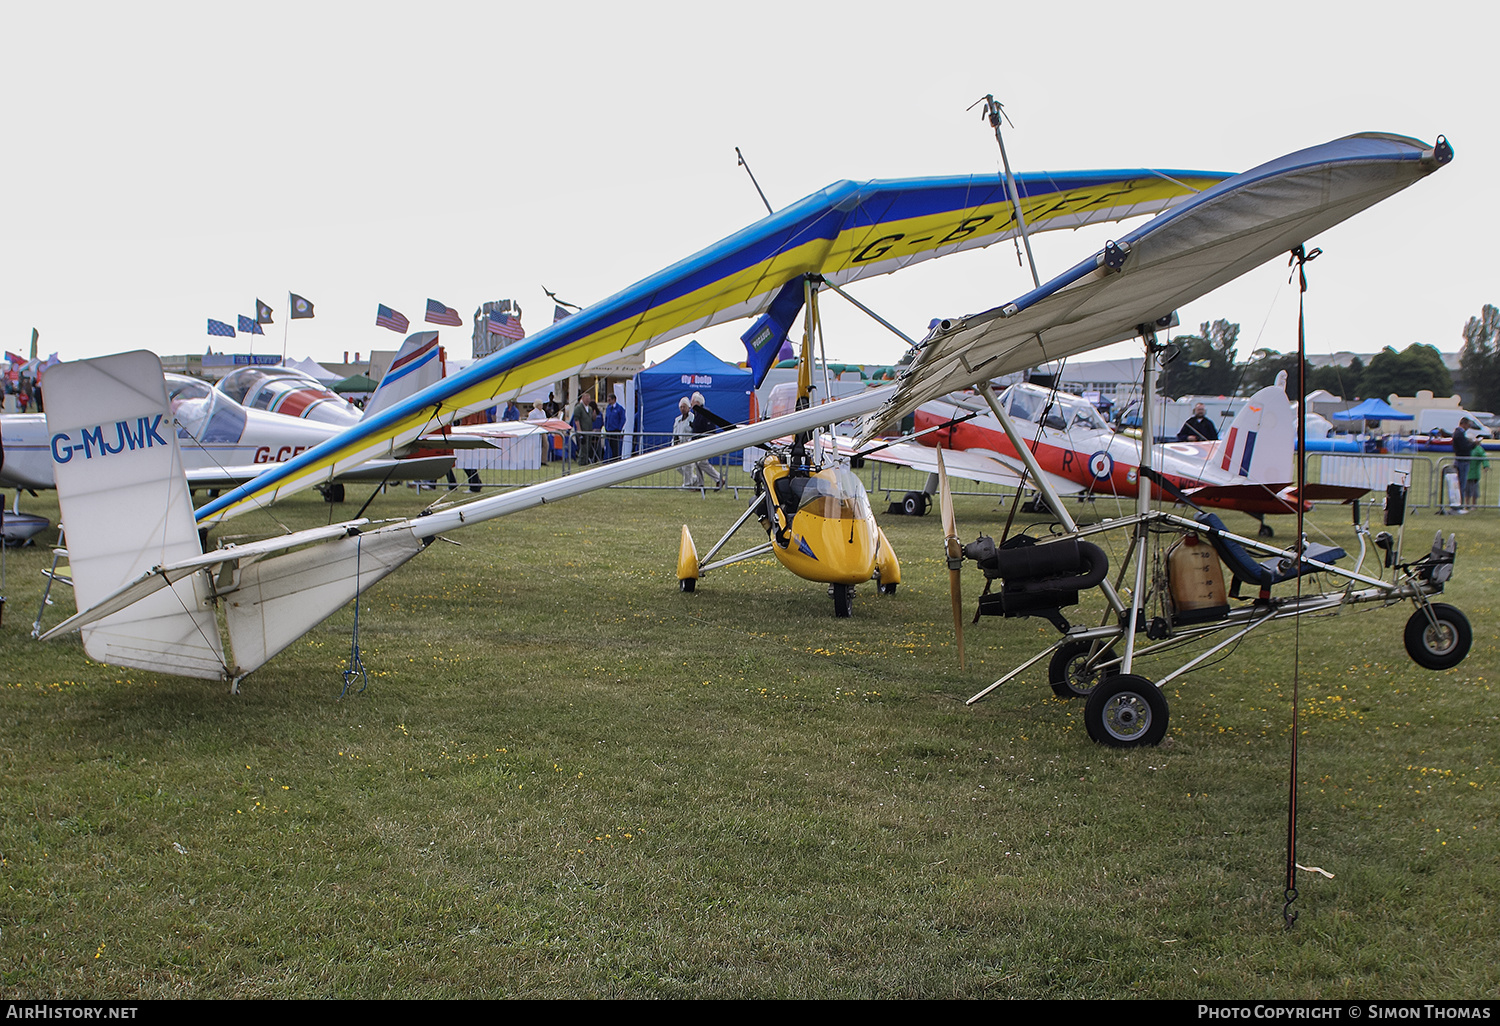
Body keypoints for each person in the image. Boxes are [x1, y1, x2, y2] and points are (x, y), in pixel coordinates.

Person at [689, 391, 727, 490]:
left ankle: (719, 479)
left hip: (705, 442)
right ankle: (700, 484)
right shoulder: (697, 414)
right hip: (698, 442)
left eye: (692, 401)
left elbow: (710, 429)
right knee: (697, 462)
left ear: (697, 403)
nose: (690, 403)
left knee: (701, 462)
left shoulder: (705, 413)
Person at [672, 397, 700, 488]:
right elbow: (675, 433)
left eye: (684, 407)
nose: (682, 409)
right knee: (678, 466)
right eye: (681, 407)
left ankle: (687, 484)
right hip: (679, 445)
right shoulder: (677, 420)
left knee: (688, 466)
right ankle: (694, 479)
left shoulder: (693, 418)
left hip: (689, 445)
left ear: (688, 407)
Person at [1452, 417, 1479, 511]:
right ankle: (1459, 504)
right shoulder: (1459, 434)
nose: (1469, 426)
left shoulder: (1458, 433)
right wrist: (1474, 444)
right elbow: (1464, 448)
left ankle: (1459, 504)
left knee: (1461, 484)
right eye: (1468, 424)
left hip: (1461, 461)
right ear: (1463, 424)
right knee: (1461, 484)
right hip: (1462, 462)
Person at [570, 392, 596, 464]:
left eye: (589, 399)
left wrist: (594, 415)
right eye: (586, 398)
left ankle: (586, 460)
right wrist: (579, 430)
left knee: (588, 446)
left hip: (589, 430)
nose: (588, 400)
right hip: (582, 430)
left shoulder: (590, 409)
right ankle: (581, 461)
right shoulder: (578, 408)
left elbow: (592, 419)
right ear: (583, 398)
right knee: (583, 446)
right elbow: (576, 419)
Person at [602, 391, 626, 461]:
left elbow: (623, 419)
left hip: (615, 430)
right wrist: (606, 427)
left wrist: (619, 428)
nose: (608, 402)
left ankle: (616, 459)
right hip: (609, 430)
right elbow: (606, 418)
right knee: (610, 446)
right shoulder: (608, 408)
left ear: (614, 399)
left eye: (609, 400)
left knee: (616, 446)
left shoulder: (619, 408)